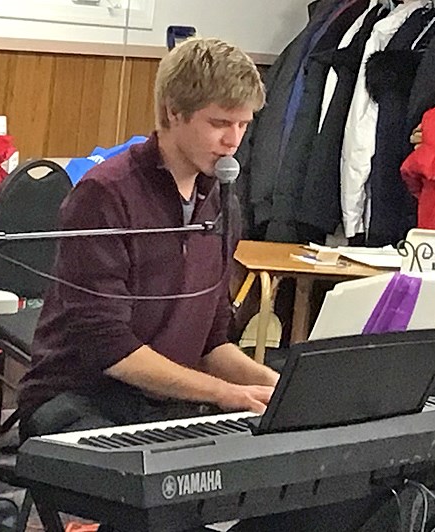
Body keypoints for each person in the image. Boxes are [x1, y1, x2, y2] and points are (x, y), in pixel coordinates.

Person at [18, 37, 277, 442]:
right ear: (173, 112)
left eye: (243, 124)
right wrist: (225, 394)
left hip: (169, 402)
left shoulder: (223, 201)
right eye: (220, 123)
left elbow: (212, 341)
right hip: (82, 399)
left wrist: (277, 388)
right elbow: (108, 347)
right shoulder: (104, 194)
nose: (234, 141)